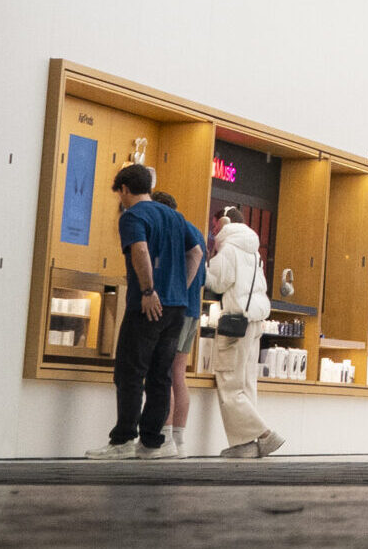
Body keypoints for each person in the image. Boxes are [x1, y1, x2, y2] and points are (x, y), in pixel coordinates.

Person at [86, 164, 206, 459]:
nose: (121, 200)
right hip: (177, 308)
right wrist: (179, 287)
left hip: (148, 306)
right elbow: (197, 253)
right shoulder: (176, 217)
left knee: (130, 372)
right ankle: (153, 443)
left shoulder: (133, 216)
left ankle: (123, 440)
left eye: (120, 194)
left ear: (125, 190)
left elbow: (139, 250)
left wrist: (150, 290)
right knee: (160, 375)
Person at [200, 208, 283, 459]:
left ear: (223, 223)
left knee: (229, 383)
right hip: (255, 323)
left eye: (215, 226)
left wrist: (204, 262)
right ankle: (244, 445)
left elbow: (217, 281)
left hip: (235, 324)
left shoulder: (230, 248)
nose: (214, 232)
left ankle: (266, 435)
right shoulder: (253, 250)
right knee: (246, 384)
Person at [146, 190, 205, 451]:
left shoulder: (171, 229)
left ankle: (165, 437)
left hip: (176, 310)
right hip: (193, 310)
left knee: (164, 372)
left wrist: (177, 290)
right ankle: (178, 440)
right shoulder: (195, 231)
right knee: (178, 373)